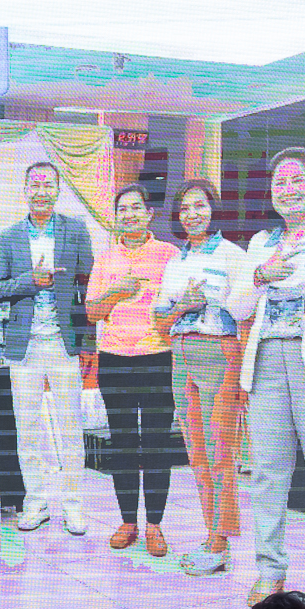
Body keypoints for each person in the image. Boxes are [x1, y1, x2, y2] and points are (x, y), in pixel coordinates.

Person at [0, 161, 97, 535]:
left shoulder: (75, 229)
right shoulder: (9, 237)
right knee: (28, 429)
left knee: (71, 427)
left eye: (48, 184)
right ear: (24, 190)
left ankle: (73, 505)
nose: (41, 191)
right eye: (34, 185)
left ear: (58, 189)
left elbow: (89, 287)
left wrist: (88, 343)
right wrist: (30, 281)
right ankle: (35, 503)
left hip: (64, 343)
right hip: (25, 347)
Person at [153, 180, 250, 577]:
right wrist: (183, 305)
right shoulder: (175, 261)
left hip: (218, 353)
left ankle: (221, 542)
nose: (192, 214)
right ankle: (211, 534)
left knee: (220, 450)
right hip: (181, 354)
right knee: (196, 451)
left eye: (200, 205)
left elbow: (246, 312)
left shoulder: (232, 255)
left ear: (214, 208)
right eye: (185, 208)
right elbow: (159, 319)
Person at [240, 148, 305, 604]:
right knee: (267, 472)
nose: (288, 190)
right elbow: (236, 307)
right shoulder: (260, 242)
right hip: (267, 359)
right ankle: (270, 570)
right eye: (280, 183)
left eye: (297, 180)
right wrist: (259, 275)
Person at [85, 182, 180, 559]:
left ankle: (155, 524)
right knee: (122, 442)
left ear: (149, 214)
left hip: (157, 357)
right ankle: (127, 522)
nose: (129, 214)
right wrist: (117, 292)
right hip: (114, 360)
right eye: (123, 209)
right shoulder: (105, 259)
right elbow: (92, 312)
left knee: (156, 443)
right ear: (115, 217)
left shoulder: (170, 255)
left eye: (136, 208)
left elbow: (178, 305)